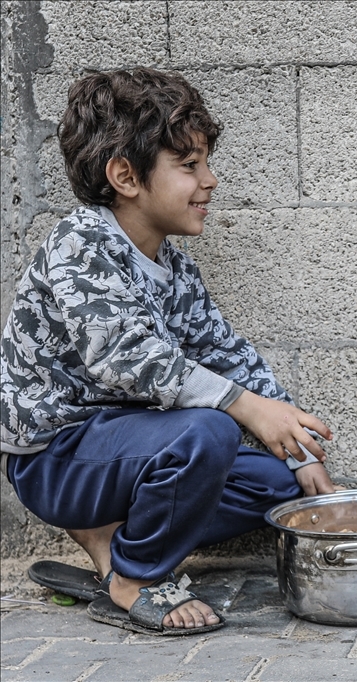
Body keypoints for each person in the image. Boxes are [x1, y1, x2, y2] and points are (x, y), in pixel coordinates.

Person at [1, 68, 339, 636]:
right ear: (126, 176)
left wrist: (301, 452)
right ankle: (133, 576)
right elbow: (123, 355)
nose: (209, 181)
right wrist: (246, 408)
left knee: (278, 487)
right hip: (56, 458)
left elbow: (226, 353)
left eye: (205, 162)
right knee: (211, 432)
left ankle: (110, 536)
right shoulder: (81, 242)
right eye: (189, 165)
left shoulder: (175, 269)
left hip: (129, 451)